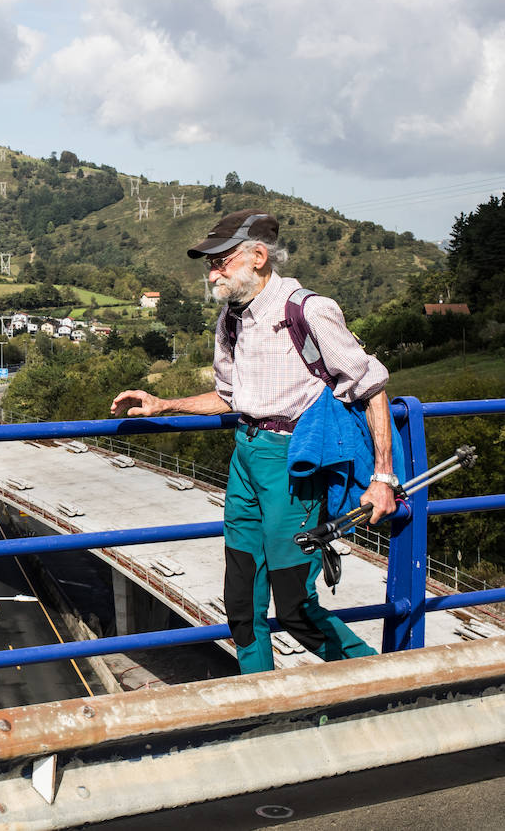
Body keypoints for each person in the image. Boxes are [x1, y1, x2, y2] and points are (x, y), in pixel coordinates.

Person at [110, 209, 398, 673]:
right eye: (210, 264)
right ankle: (259, 694)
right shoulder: (230, 319)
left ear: (258, 257)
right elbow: (228, 397)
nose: (212, 274)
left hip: (292, 462)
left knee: (295, 606)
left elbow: (372, 388)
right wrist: (164, 404)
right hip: (244, 457)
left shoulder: (308, 310)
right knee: (241, 603)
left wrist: (383, 478)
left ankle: (379, 677)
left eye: (220, 262)